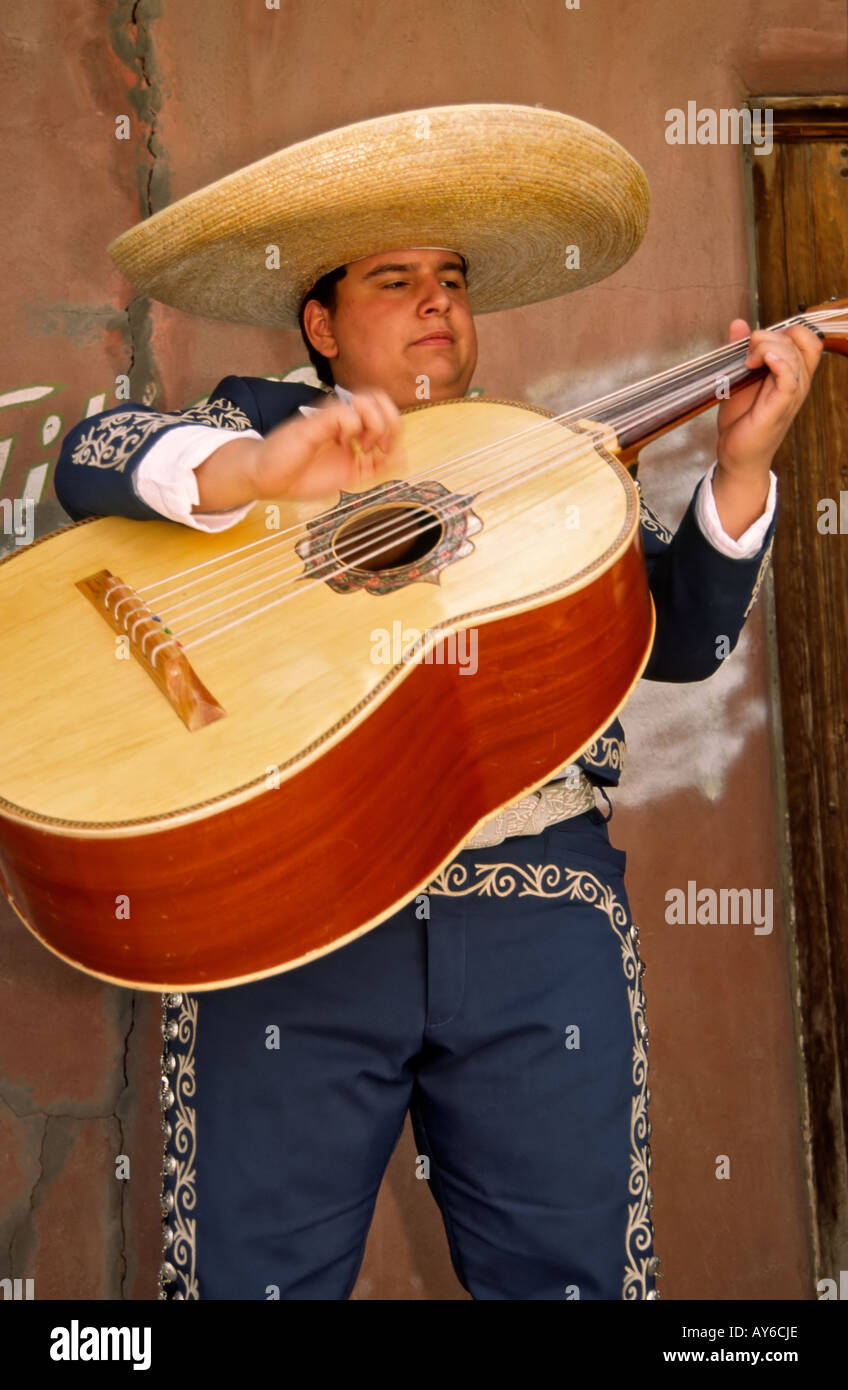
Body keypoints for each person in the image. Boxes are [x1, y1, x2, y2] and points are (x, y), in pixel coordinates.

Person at [53, 105, 822, 1301]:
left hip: (536, 914)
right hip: (294, 908)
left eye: (453, 279)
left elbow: (677, 642)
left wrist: (737, 467)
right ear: (319, 322)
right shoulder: (253, 421)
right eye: (394, 278)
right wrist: (256, 470)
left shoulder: (549, 459)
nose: (436, 304)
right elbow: (90, 453)